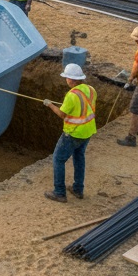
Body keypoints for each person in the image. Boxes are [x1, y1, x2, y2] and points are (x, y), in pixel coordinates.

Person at [43, 62, 97, 202]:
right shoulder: (91, 89)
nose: (66, 80)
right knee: (79, 158)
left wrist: (49, 105)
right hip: (88, 131)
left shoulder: (71, 95)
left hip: (73, 133)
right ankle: (78, 189)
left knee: (58, 159)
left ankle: (59, 192)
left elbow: (62, 114)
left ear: (72, 79)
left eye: (67, 77)